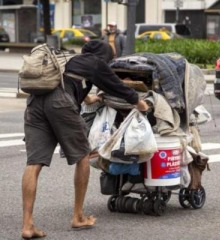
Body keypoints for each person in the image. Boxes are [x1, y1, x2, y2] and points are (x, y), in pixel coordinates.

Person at [21, 40, 148, 239]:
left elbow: (70, 83)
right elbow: (117, 87)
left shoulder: (70, 59)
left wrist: (89, 99)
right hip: (60, 103)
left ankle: (27, 225)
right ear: (104, 55)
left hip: (35, 103)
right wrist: (140, 104)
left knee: (34, 163)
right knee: (83, 156)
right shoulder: (96, 62)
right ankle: (78, 217)